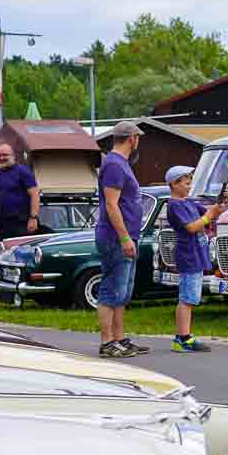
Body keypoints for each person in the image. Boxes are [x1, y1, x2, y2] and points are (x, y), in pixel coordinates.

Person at [95, 121, 148, 358]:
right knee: (111, 288)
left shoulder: (121, 163)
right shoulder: (114, 165)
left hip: (127, 236)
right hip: (115, 237)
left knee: (122, 291)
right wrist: (124, 237)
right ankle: (107, 342)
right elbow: (111, 204)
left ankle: (119, 339)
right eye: (138, 138)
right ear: (131, 139)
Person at [164, 165, 226, 353]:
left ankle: (184, 336)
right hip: (188, 255)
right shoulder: (174, 206)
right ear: (174, 184)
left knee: (191, 297)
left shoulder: (187, 203)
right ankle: (182, 338)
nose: (189, 186)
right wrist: (208, 217)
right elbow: (192, 227)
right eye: (186, 183)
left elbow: (210, 211)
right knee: (187, 298)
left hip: (196, 254)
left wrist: (220, 203)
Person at [0, 143, 41, 288]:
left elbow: (34, 194)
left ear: (13, 156)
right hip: (1, 223)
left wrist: (33, 217)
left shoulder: (22, 172)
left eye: (5, 155)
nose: (2, 158)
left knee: (16, 258)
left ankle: (19, 287)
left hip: (20, 223)